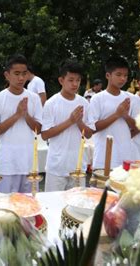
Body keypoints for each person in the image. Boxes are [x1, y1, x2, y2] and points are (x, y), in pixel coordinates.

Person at [0, 54, 42, 193]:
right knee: (6, 206)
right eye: (16, 74)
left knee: (29, 206)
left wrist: (25, 115)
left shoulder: (34, 98)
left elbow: (38, 129)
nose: (21, 78)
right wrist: (16, 115)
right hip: (7, 163)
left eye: (24, 74)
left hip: (29, 161)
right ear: (7, 75)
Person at [42, 60, 93, 191]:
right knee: (52, 206)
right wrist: (70, 121)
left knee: (76, 207)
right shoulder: (51, 103)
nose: (75, 84)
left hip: (77, 166)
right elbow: (45, 134)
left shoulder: (84, 103)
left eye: (78, 80)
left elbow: (88, 133)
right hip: (56, 166)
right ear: (61, 80)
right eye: (71, 80)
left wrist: (79, 122)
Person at [88, 56, 135, 169]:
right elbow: (93, 128)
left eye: (125, 75)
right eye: (118, 75)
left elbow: (136, 126)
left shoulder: (130, 98)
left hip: (125, 156)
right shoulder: (98, 98)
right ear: (108, 75)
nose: (123, 79)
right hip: (103, 157)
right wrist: (117, 115)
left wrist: (125, 116)